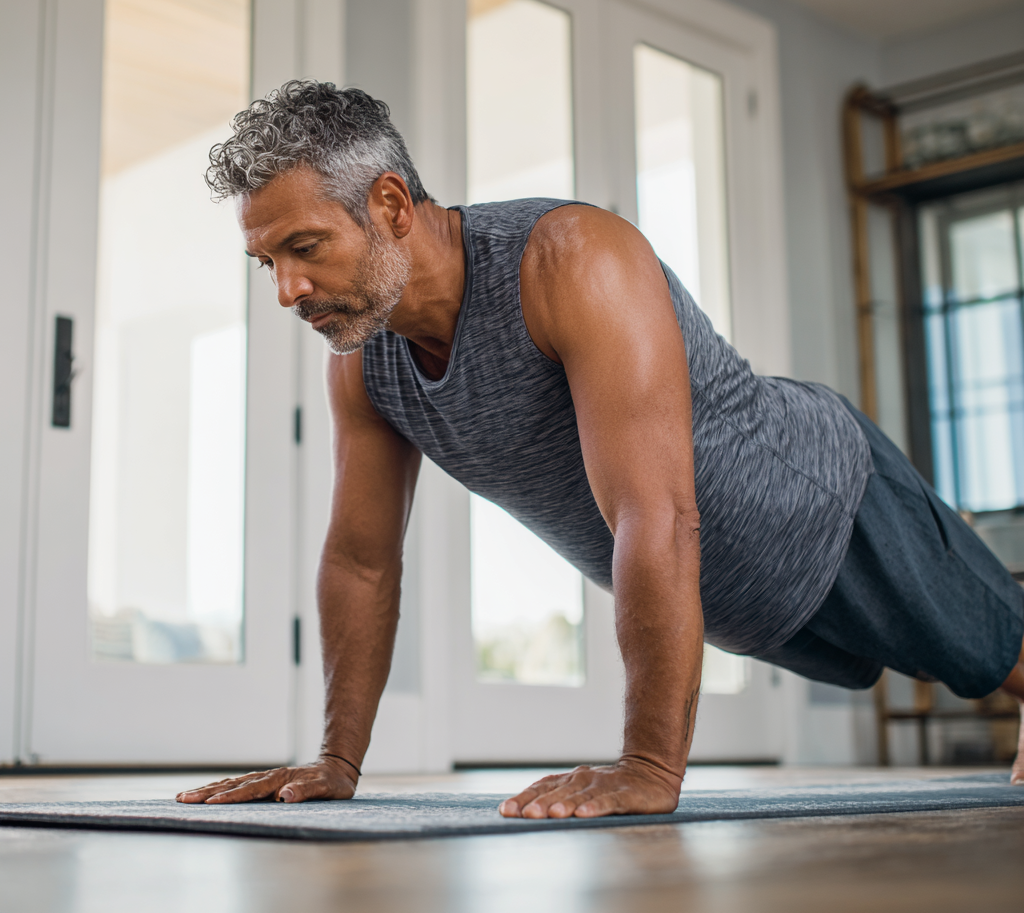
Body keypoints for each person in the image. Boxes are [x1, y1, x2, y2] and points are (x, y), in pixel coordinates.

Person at [177, 81, 1024, 818]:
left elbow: (653, 511)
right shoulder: (367, 364)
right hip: (742, 601)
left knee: (997, 656)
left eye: (307, 248)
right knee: (945, 664)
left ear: (392, 205)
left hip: (825, 501)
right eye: (267, 263)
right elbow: (360, 561)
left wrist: (648, 766)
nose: (288, 290)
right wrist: (336, 760)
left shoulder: (572, 260)